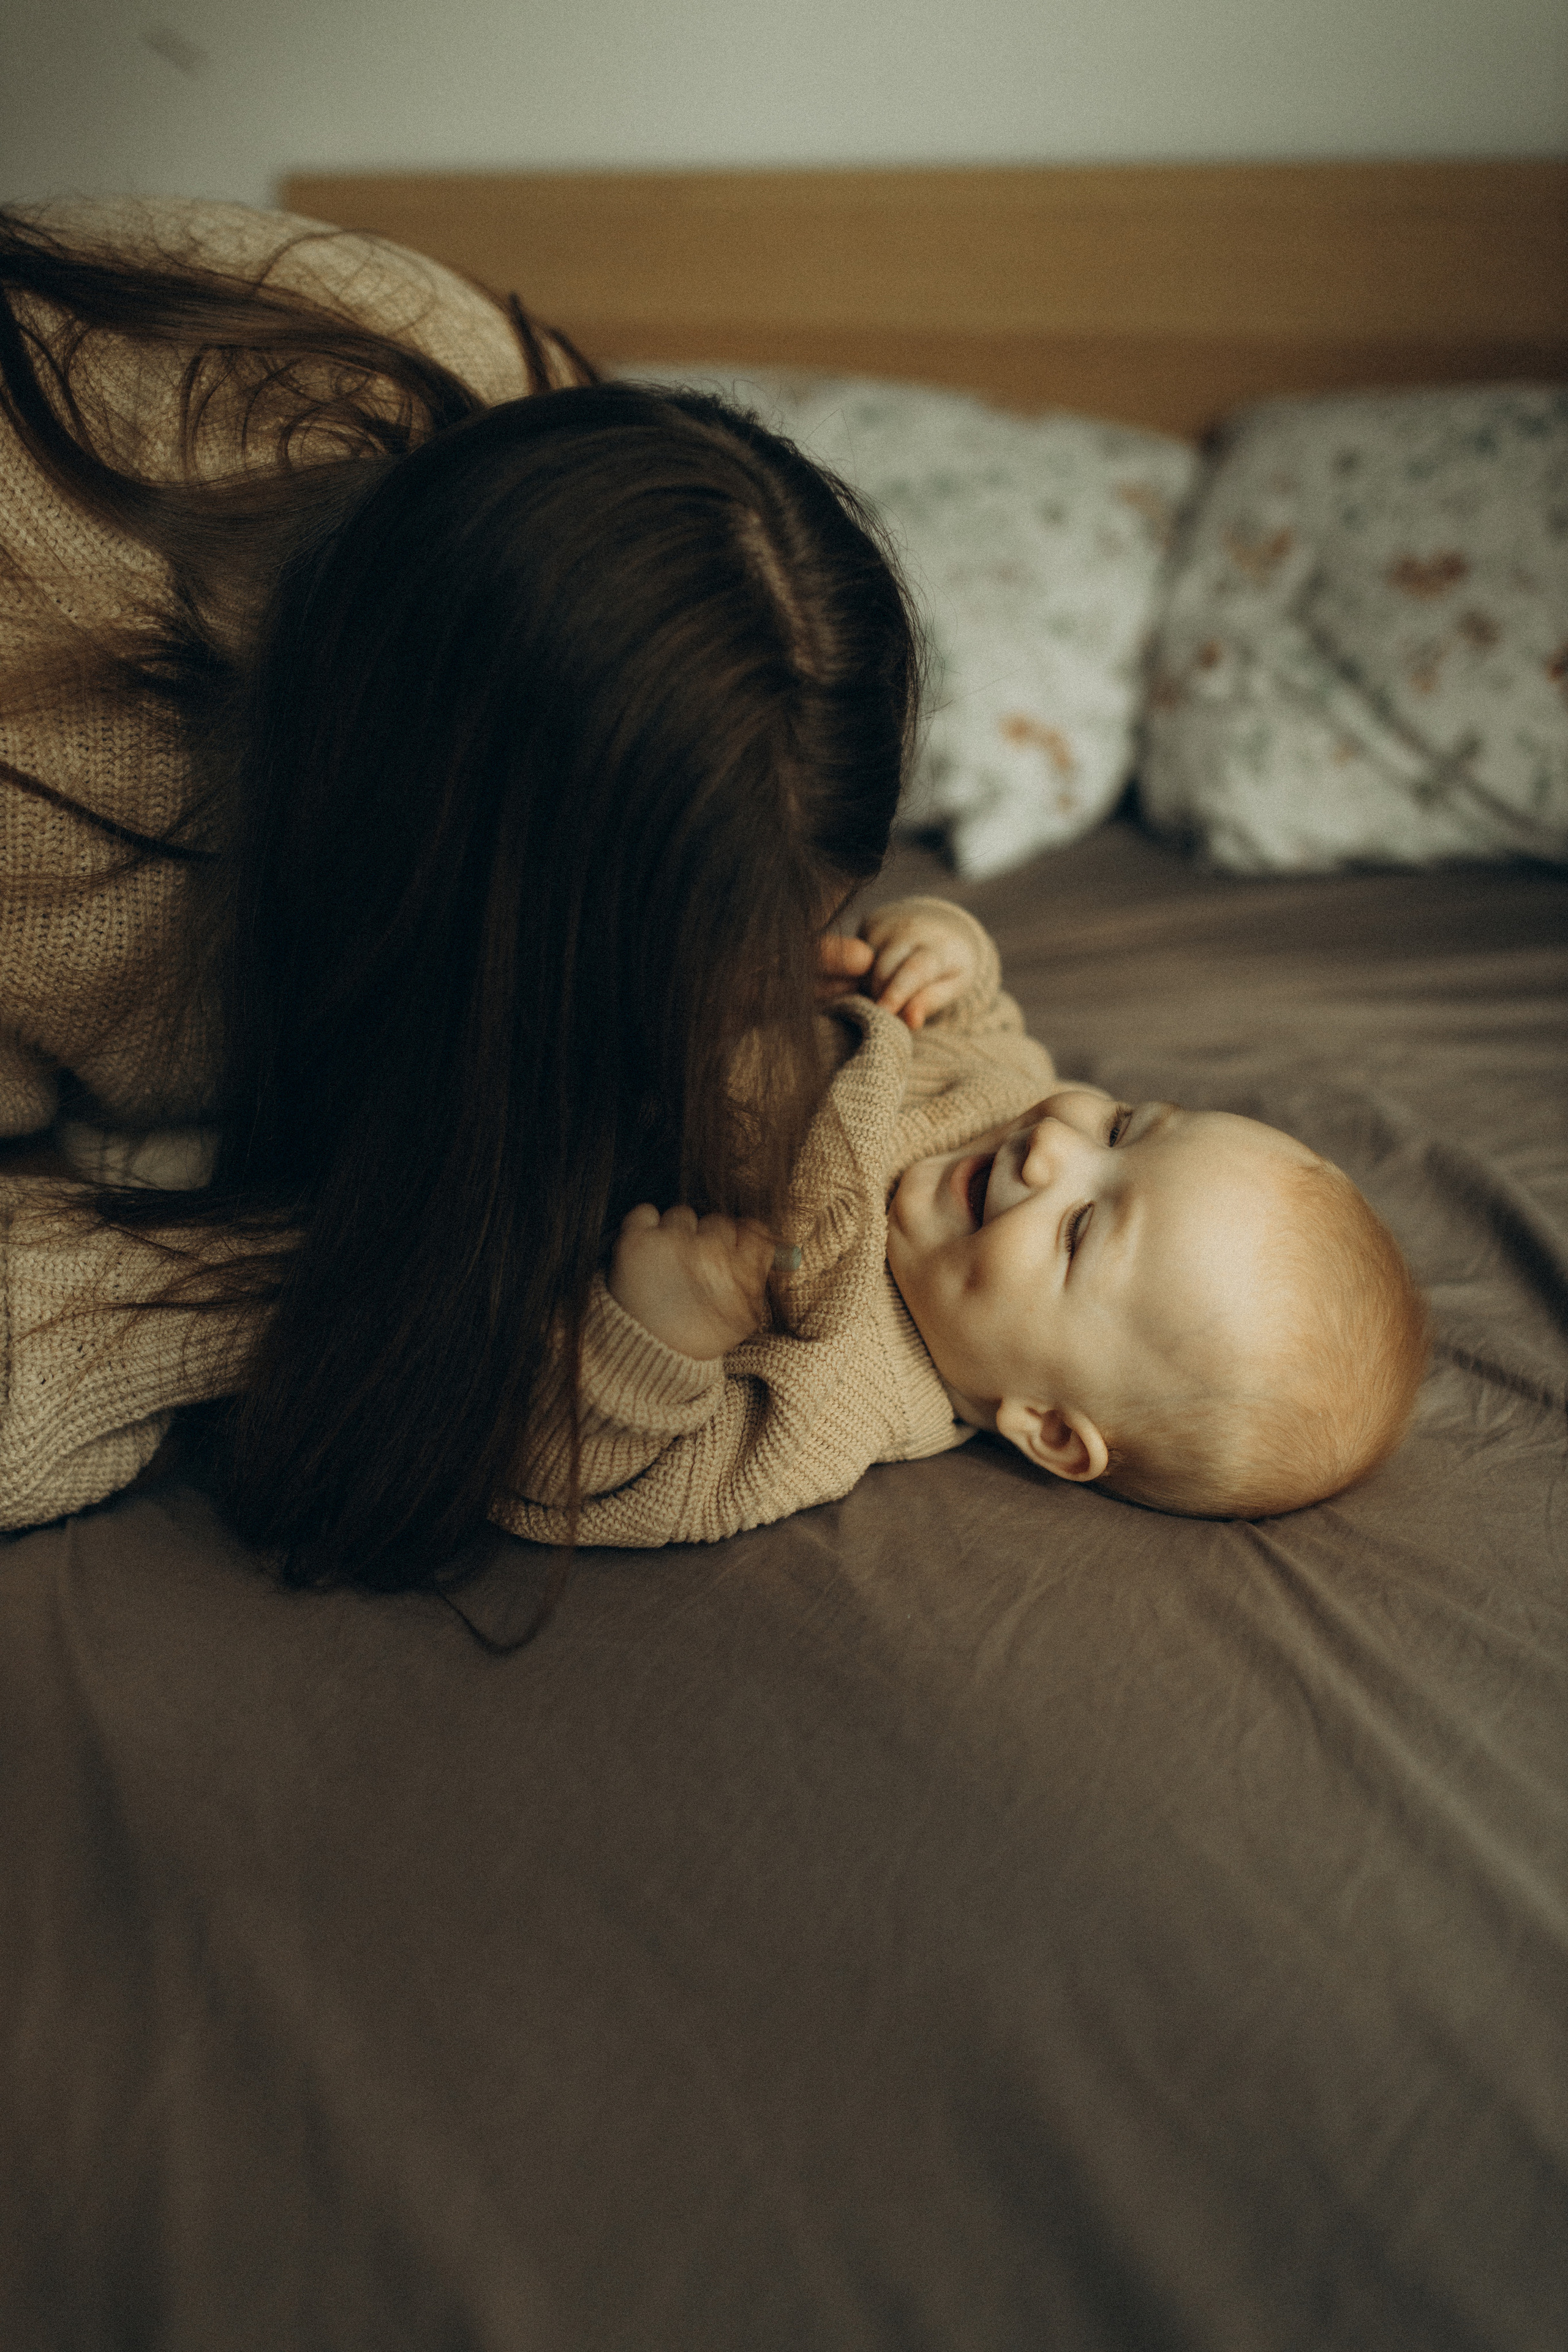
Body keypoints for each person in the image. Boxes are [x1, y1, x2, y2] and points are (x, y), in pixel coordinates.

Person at [0, 197, 922, 1585]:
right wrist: (348, 1271)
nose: (793, 976)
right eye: (709, 955)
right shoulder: (52, 838)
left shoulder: (516, 417)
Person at [512, 899, 1430, 1545]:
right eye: (1122, 1126)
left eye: (1077, 1232)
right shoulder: (1011, 1094)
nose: (1054, 1149)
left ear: (1051, 1429)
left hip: (515, 1151)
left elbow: (578, 1481)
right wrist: (942, 947)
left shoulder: (840, 1398)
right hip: (599, 974)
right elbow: (980, 1013)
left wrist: (656, 1337)